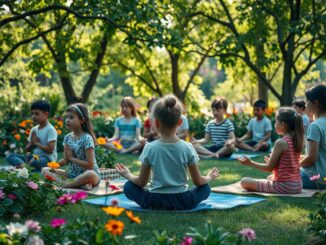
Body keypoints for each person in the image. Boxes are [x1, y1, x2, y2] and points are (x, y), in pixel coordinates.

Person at [115, 94, 220, 210]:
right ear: (180, 122)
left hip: (154, 201)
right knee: (205, 188)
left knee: (128, 187)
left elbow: (141, 182)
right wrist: (210, 177)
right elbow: (198, 181)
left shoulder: (150, 148)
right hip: (183, 201)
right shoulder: (188, 147)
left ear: (156, 123)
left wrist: (127, 174)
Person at [238, 107, 304, 194]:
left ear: (283, 125)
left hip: (284, 186)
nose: (274, 125)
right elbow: (289, 164)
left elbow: (269, 168)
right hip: (298, 185)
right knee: (270, 177)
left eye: (276, 122)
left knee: (244, 181)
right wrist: (275, 164)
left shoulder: (280, 142)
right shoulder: (297, 140)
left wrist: (250, 162)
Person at [41, 103, 100, 190]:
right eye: (67, 117)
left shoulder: (87, 138)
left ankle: (65, 184)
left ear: (82, 120)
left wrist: (72, 158)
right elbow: (65, 160)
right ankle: (78, 184)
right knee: (45, 170)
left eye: (71, 117)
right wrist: (53, 166)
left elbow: (90, 165)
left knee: (90, 174)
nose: (67, 120)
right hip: (72, 174)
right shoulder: (67, 137)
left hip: (88, 174)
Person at [6, 100, 58, 170]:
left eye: (37, 114)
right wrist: (33, 144)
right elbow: (27, 149)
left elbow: (50, 150)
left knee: (39, 161)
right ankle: (24, 166)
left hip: (47, 159)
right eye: (32, 114)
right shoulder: (34, 130)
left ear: (46, 114)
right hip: (34, 157)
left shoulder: (50, 129)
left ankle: (25, 166)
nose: (33, 116)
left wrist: (36, 143)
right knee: (10, 156)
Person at [300, 84, 326, 189]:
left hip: (316, 178)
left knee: (274, 177)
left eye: (307, 102)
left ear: (316, 103)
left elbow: (311, 159)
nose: (305, 105)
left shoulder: (315, 126)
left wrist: (295, 165)